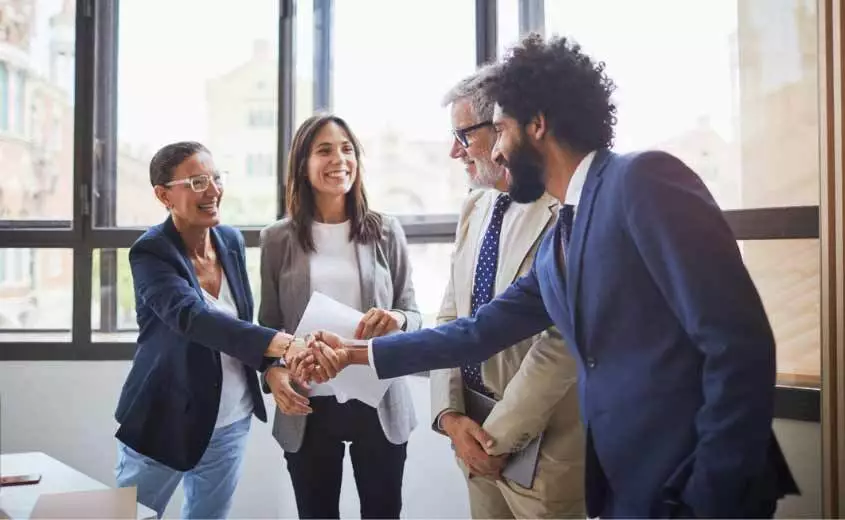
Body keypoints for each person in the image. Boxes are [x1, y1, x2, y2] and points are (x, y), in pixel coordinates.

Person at [299, 35, 799, 518]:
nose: (494, 151)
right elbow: (476, 332)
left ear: (537, 124)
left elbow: (739, 345)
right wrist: (353, 355)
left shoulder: (643, 180)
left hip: (694, 487)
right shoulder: (564, 232)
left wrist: (711, 494)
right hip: (629, 489)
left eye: (501, 129)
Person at [114, 141, 305, 519]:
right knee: (128, 517)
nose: (214, 190)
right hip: (164, 419)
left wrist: (272, 365)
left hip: (230, 420)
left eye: (216, 178)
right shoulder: (151, 252)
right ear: (163, 195)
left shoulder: (230, 240)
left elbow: (240, 325)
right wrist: (279, 343)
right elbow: (191, 317)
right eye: (198, 181)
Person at [430, 70, 584, 518]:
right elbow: (451, 315)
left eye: (464, 136)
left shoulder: (562, 209)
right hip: (470, 433)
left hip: (544, 447)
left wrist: (495, 438)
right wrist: (449, 416)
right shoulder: (474, 205)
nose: (454, 151)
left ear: (502, 127)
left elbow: (561, 345)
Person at [259, 113, 421, 519]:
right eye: (325, 150)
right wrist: (273, 373)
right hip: (308, 404)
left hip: (378, 400)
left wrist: (397, 319)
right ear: (303, 164)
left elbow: (415, 314)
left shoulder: (386, 230)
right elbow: (267, 328)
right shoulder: (277, 239)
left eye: (347, 149)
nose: (340, 159)